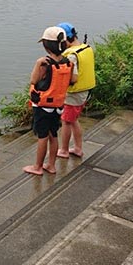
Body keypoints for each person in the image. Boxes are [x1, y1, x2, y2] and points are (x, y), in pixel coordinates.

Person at [23, 26, 77, 176]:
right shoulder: (68, 63)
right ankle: (51, 166)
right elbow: (72, 80)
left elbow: (33, 80)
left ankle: (37, 167)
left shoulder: (45, 64)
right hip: (58, 106)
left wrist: (37, 64)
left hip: (43, 107)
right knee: (53, 135)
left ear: (46, 46)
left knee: (42, 137)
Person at [56, 22, 96, 159]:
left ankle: (64, 150)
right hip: (85, 92)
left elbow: (73, 78)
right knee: (73, 120)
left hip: (74, 94)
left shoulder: (71, 55)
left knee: (66, 121)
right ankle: (78, 148)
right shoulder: (86, 48)